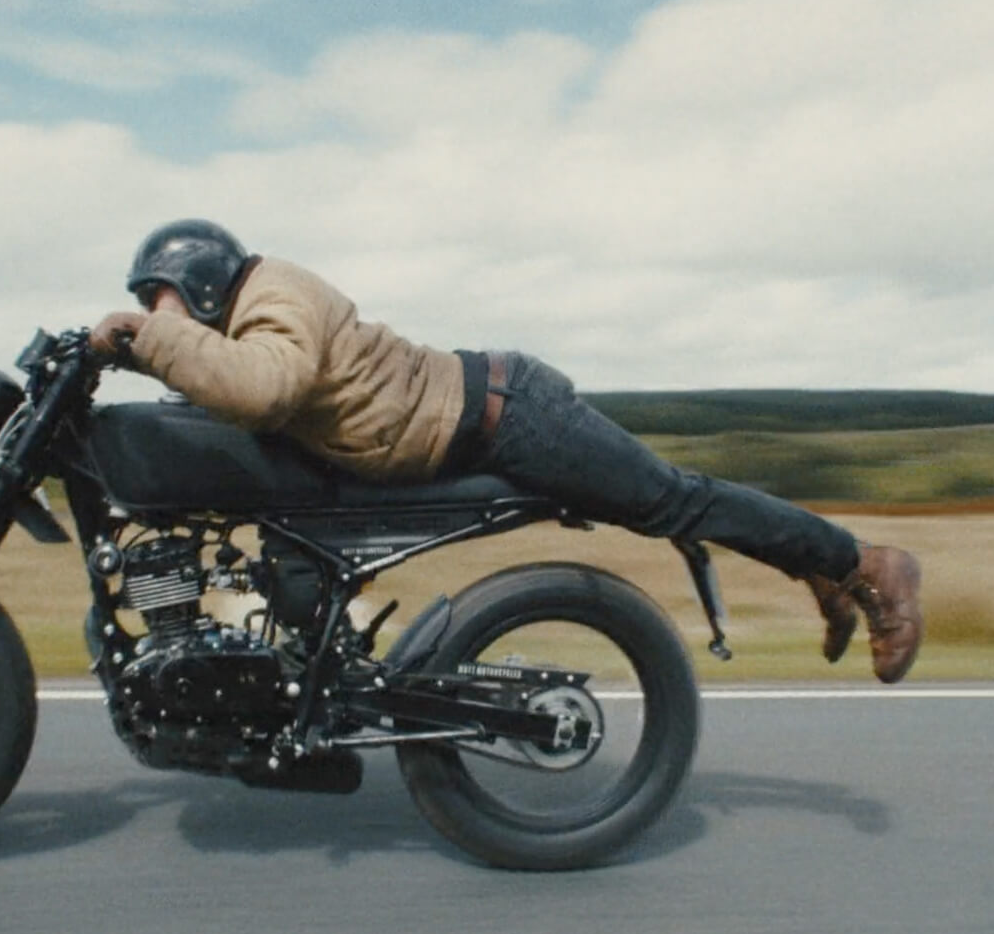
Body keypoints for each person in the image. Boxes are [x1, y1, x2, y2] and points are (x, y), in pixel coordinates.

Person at [89, 219, 923, 682]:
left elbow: (265, 388)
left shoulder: (275, 295)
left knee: (670, 501)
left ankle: (863, 562)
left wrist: (146, 338)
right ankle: (817, 565)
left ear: (204, 284)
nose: (161, 318)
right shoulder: (247, 317)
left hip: (513, 416)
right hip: (471, 419)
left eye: (165, 302)